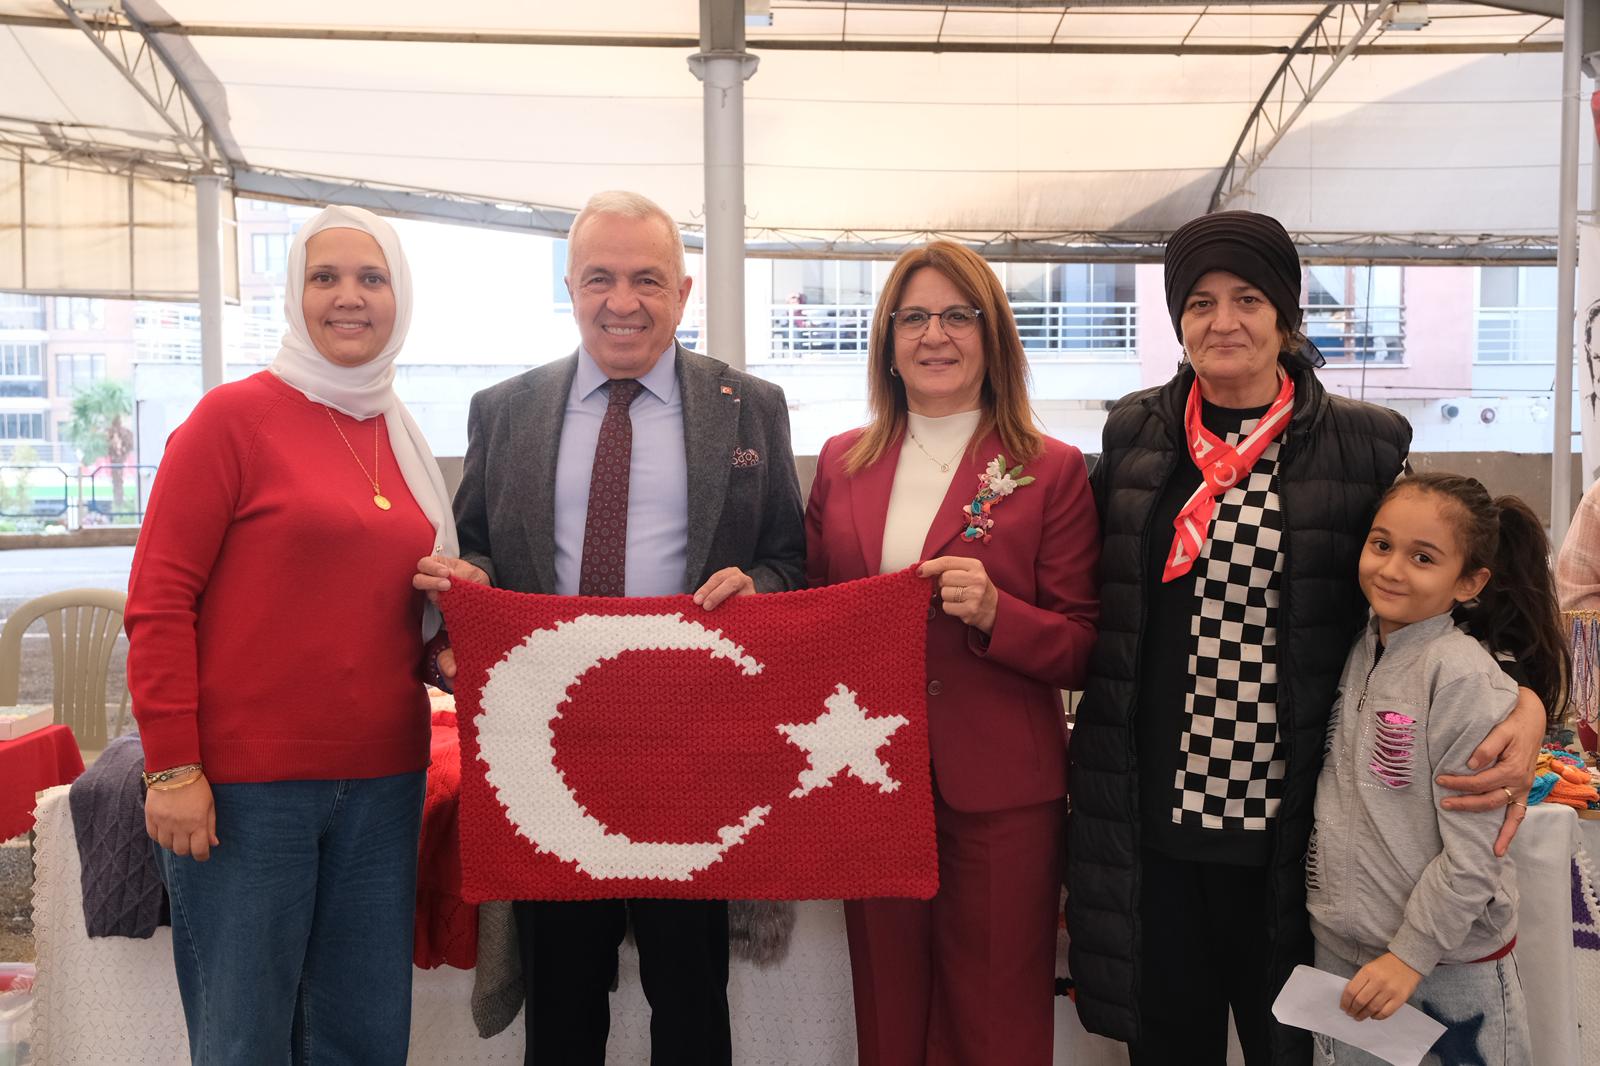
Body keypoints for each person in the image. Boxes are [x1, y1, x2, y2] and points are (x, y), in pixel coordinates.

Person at [1067, 209, 1549, 1066]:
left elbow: (1450, 587)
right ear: (1178, 322)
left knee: (1291, 1051)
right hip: (1153, 824)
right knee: (1167, 1048)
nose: (1224, 322)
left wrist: (1528, 700)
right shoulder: (1134, 432)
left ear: (1285, 317)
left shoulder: (1365, 443)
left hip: (1295, 837)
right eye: (1201, 302)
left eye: (1248, 299)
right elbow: (1089, 597)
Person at [414, 190, 806, 1066]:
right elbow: (478, 547)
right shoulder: (504, 409)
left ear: (683, 291)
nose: (622, 301)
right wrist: (472, 577)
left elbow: (790, 557)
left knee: (691, 995)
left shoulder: (751, 406)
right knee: (561, 999)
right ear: (570, 286)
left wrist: (761, 585)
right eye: (600, 278)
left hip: (692, 747)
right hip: (551, 744)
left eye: (647, 279)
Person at [125, 205, 457, 1063]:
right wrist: (172, 766)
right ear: (293, 294)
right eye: (324, 277)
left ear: (399, 295)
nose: (349, 297)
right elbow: (159, 601)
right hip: (245, 792)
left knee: (364, 1039)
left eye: (371, 278)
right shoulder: (231, 420)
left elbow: (399, 615)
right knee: (245, 1041)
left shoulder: (398, 433)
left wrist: (460, 619)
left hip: (384, 783)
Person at [805, 240, 1099, 1064]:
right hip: (871, 774)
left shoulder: (1051, 469)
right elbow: (814, 617)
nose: (935, 335)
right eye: (914, 318)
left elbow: (1083, 646)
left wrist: (1000, 614)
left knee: (998, 1016)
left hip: (1004, 789)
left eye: (957, 316)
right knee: (888, 1008)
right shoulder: (841, 461)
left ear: (991, 334)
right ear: (888, 342)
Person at [1306, 472, 1564, 1065]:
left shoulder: (1462, 677)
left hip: (1448, 970)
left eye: (1423, 557)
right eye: (1381, 545)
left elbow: (1476, 850)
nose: (1392, 569)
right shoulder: (1357, 649)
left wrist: (1410, 955)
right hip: (1346, 955)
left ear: (1469, 581)